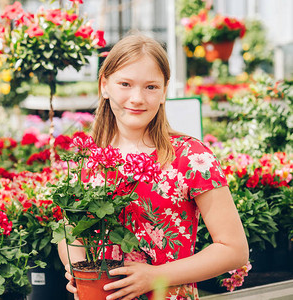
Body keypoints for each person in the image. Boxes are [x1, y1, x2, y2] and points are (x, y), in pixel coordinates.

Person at [57, 34, 249, 300]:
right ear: (104, 85)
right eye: (125, 84)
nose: (137, 98)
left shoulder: (191, 157)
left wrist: (155, 276)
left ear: (164, 92)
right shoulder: (87, 158)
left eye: (151, 87)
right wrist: (77, 268)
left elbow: (234, 249)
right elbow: (68, 233)